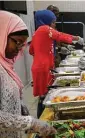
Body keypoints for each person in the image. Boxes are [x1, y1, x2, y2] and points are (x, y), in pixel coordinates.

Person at [0, 10, 56, 138]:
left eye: (23, 44)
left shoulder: (6, 66)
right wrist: (31, 123)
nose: (20, 48)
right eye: (17, 42)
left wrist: (22, 110)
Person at [30, 10, 84, 118]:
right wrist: (76, 38)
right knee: (44, 97)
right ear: (46, 21)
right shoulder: (45, 29)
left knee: (43, 95)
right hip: (43, 68)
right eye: (53, 22)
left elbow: (31, 51)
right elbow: (59, 35)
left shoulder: (38, 32)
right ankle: (42, 120)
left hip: (40, 66)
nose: (54, 25)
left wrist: (49, 50)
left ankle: (42, 118)